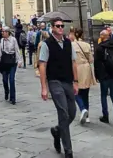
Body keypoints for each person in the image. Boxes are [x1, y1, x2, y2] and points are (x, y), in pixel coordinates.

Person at [37, 18, 78, 158]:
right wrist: (44, 87)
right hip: (54, 81)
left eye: (62, 26)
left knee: (72, 111)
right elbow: (42, 65)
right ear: (52, 28)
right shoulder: (46, 44)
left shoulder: (68, 43)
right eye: (58, 26)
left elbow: (73, 62)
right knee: (63, 113)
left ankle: (57, 131)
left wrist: (76, 81)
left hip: (68, 81)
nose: (61, 28)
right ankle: (68, 150)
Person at [94, 29, 113, 126]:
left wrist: (97, 75)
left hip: (104, 76)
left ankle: (105, 115)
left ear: (102, 37)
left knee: (103, 95)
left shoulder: (99, 48)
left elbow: (96, 63)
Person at [71, 28, 97, 124]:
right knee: (85, 92)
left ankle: (82, 109)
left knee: (75, 91)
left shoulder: (71, 45)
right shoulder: (86, 45)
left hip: (76, 68)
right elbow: (91, 59)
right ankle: (87, 115)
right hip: (86, 68)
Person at [0, 27, 22, 104]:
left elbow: (17, 50)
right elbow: (0, 52)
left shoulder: (13, 40)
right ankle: (6, 91)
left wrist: (19, 60)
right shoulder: (2, 40)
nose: (2, 33)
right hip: (4, 62)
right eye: (2, 31)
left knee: (11, 79)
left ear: (8, 32)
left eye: (4, 31)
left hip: (12, 62)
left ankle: (13, 97)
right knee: (5, 80)